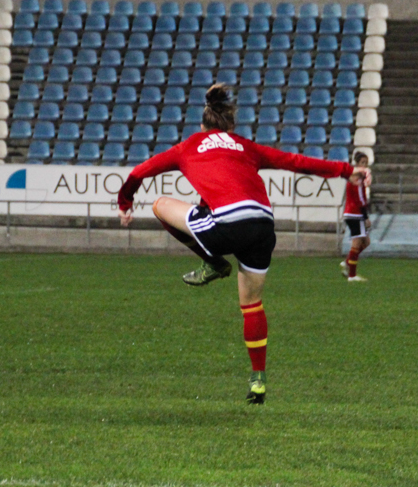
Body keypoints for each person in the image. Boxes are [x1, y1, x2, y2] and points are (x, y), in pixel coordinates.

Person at [116, 84, 370, 404]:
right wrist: (348, 171)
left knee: (160, 204)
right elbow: (295, 161)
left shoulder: (188, 147)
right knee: (251, 304)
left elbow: (140, 172)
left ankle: (213, 262)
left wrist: (125, 202)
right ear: (231, 127)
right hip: (263, 226)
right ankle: (258, 380)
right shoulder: (246, 147)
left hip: (227, 224)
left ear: (202, 126)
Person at [340, 152, 371, 282]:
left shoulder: (357, 178)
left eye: (366, 163)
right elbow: (360, 199)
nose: (364, 165)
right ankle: (352, 275)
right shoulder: (356, 179)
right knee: (357, 243)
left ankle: (348, 262)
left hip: (352, 213)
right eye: (362, 163)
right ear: (357, 164)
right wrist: (366, 216)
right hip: (355, 213)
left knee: (366, 241)